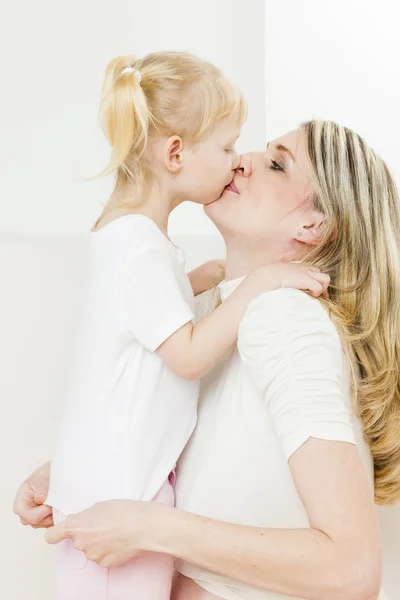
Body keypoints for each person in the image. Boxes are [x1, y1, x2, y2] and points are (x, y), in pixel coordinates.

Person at [15, 120, 398, 600]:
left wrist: (150, 527)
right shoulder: (208, 315)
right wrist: (75, 469)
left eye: (277, 164)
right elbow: (193, 444)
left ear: (313, 226)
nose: (242, 161)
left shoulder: (282, 318)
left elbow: (352, 570)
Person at [33, 51, 329, 600]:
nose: (236, 161)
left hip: (121, 490)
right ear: (175, 153)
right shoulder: (140, 247)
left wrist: (211, 274)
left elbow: (141, 316)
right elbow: (188, 355)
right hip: (121, 501)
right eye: (226, 147)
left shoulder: (132, 238)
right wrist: (259, 281)